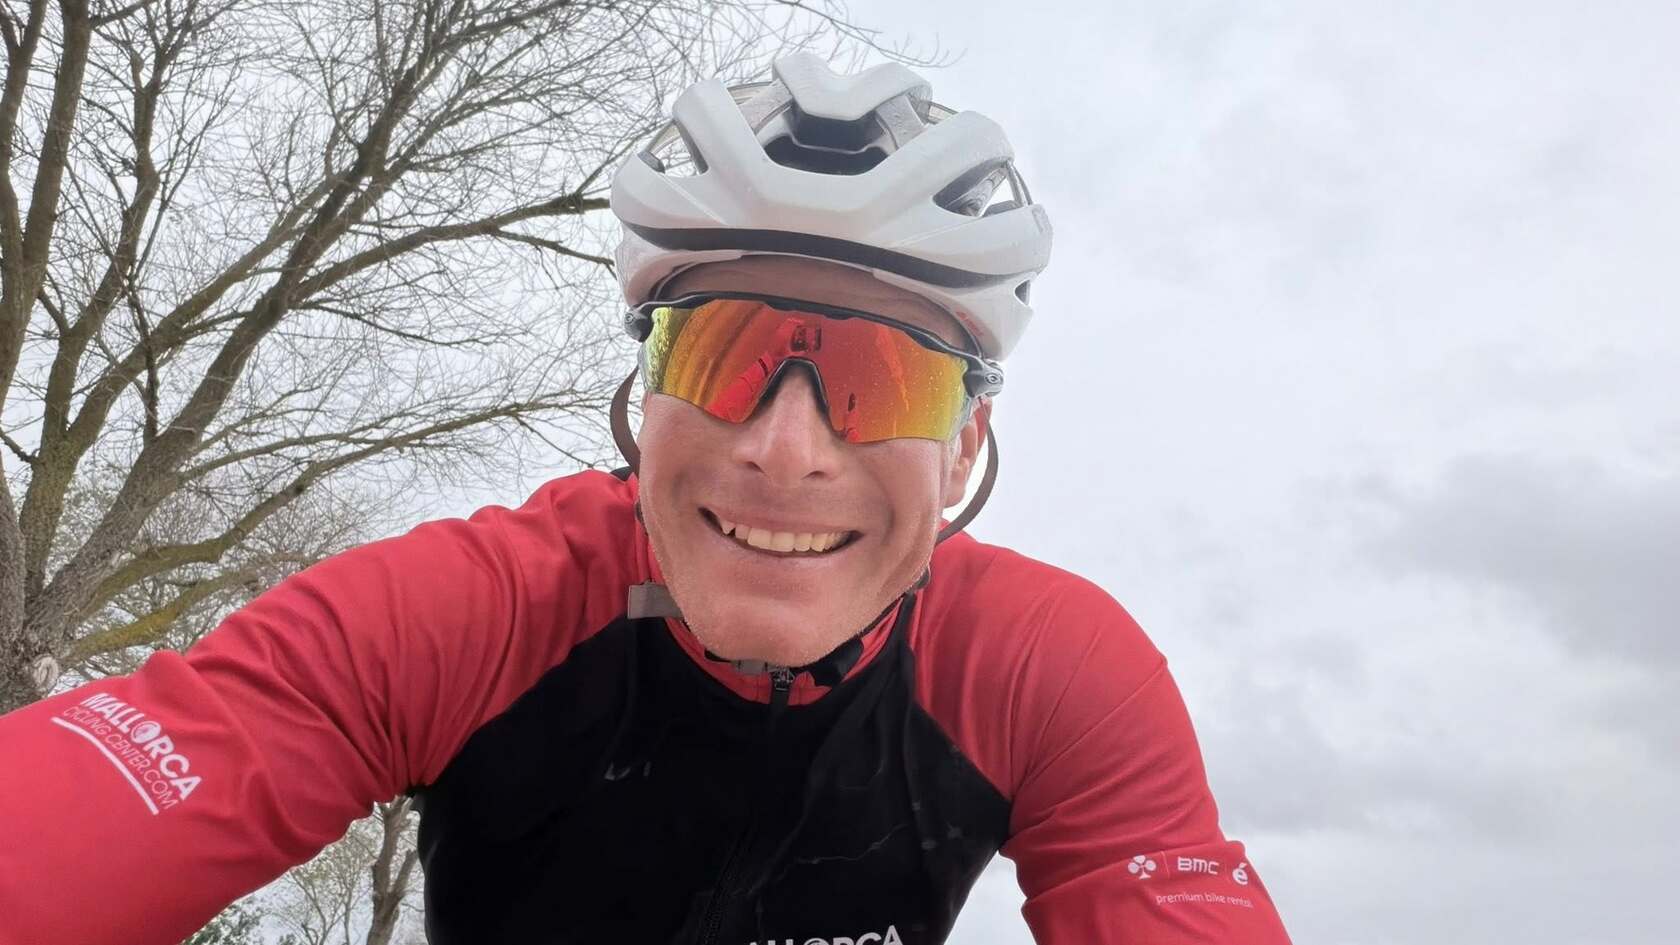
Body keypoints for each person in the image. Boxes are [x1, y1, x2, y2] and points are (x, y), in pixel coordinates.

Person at [0, 54, 1292, 945]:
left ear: (963, 451)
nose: (786, 448)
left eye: (882, 380)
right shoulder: (473, 610)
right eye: (720, 353)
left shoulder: (1048, 667)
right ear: (645, 399)